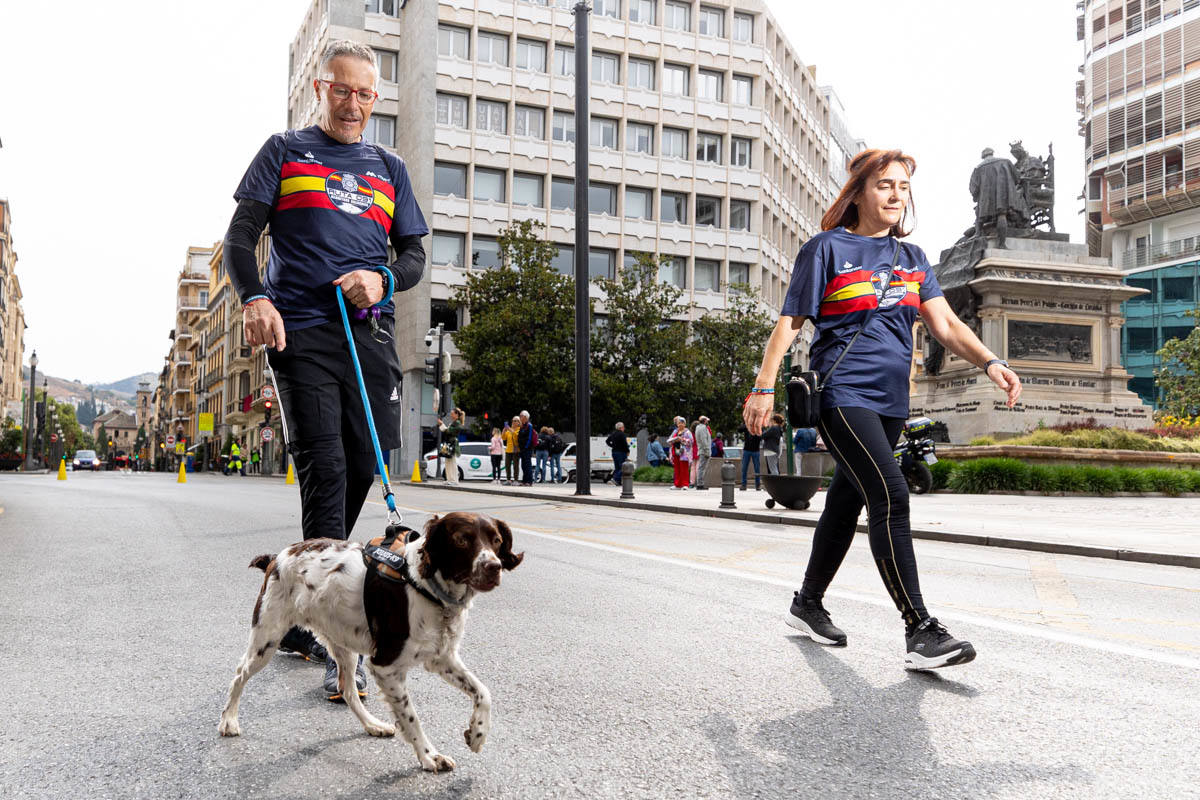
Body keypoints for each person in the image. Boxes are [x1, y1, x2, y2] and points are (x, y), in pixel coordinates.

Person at [744, 148, 1021, 669]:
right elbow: (790, 322)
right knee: (890, 493)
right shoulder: (826, 248)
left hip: (892, 401)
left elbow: (945, 327)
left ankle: (807, 603)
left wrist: (990, 362)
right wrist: (763, 387)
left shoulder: (913, 259)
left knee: (847, 502)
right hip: (842, 394)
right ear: (860, 193)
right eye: (885, 185)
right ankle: (919, 628)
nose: (896, 195)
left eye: (903, 186)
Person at [224, 39, 428, 701]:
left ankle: (296, 596)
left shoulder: (389, 167)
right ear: (321, 88)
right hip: (302, 329)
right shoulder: (285, 152)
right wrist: (256, 298)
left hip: (368, 338)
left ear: (376, 99)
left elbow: (415, 258)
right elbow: (240, 236)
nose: (353, 103)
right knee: (327, 464)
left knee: (367, 462)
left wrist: (383, 279)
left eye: (366, 93)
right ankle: (333, 628)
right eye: (343, 90)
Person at [665, 417, 693, 490]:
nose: (680, 424)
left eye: (682, 423)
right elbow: (669, 439)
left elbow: (691, 441)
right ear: (677, 424)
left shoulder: (687, 432)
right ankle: (677, 484)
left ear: (685, 424)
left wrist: (682, 439)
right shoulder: (675, 431)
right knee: (677, 468)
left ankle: (685, 484)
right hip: (675, 451)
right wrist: (674, 440)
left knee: (684, 468)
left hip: (684, 453)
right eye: (679, 423)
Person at [438, 408, 464, 484]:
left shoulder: (458, 423)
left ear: (456, 415)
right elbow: (447, 431)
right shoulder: (454, 423)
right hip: (450, 444)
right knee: (448, 462)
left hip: (452, 445)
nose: (451, 415)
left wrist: (442, 425)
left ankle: (454, 480)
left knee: (452, 463)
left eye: (452, 414)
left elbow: (448, 431)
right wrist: (443, 426)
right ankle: (449, 479)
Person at [736, 422, 762, 491]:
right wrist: (747, 424)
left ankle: (758, 485)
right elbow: (739, 429)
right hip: (747, 450)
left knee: (757, 469)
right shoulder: (747, 426)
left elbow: (761, 437)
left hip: (755, 450)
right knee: (744, 468)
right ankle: (744, 485)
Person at [693, 416, 712, 490]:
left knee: (701, 467)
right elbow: (704, 440)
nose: (708, 422)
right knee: (702, 468)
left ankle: (700, 483)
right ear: (704, 421)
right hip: (704, 451)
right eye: (707, 421)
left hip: (701, 450)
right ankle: (700, 484)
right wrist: (707, 450)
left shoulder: (698, 427)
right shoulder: (703, 428)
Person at [517, 411, 536, 485]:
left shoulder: (529, 425)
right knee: (523, 465)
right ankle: (524, 480)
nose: (520, 417)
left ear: (525, 417)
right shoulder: (522, 426)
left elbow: (529, 438)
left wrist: (526, 447)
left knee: (528, 465)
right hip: (522, 448)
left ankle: (529, 481)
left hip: (527, 449)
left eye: (521, 416)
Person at [502, 418, 519, 485]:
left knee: (515, 465)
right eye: (513, 421)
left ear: (518, 422)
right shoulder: (509, 430)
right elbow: (503, 438)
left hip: (515, 449)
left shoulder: (519, 430)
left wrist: (510, 430)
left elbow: (516, 437)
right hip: (508, 449)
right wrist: (504, 430)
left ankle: (515, 480)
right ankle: (508, 479)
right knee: (507, 465)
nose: (513, 422)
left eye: (515, 421)